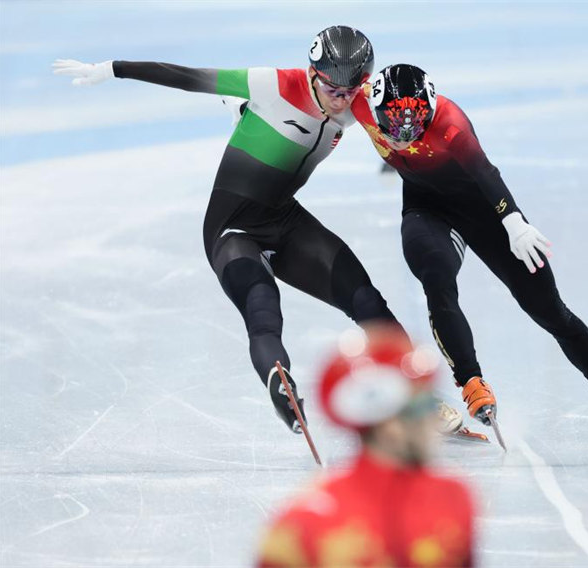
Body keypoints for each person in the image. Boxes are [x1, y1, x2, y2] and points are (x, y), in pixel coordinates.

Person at [50, 27, 470, 437]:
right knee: (262, 305)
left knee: (364, 298)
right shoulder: (272, 84)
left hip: (285, 221)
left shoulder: (355, 103)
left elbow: (404, 136)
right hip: (232, 229)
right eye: (331, 90)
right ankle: (280, 384)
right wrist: (113, 68)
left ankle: (419, 399)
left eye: (350, 91)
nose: (340, 100)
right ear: (313, 72)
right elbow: (187, 76)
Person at [350, 64, 588, 436]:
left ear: (431, 111)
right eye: (392, 125)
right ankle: (471, 383)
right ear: (374, 109)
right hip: (427, 211)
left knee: (551, 311)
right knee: (436, 278)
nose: (403, 136)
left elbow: (486, 173)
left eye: (416, 125)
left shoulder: (450, 123)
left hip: (484, 211)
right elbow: (314, 87)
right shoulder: (356, 101)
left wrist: (513, 221)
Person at [256, 327, 476, 567]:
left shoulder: (453, 498)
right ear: (389, 425)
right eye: (423, 407)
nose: (433, 419)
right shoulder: (306, 524)